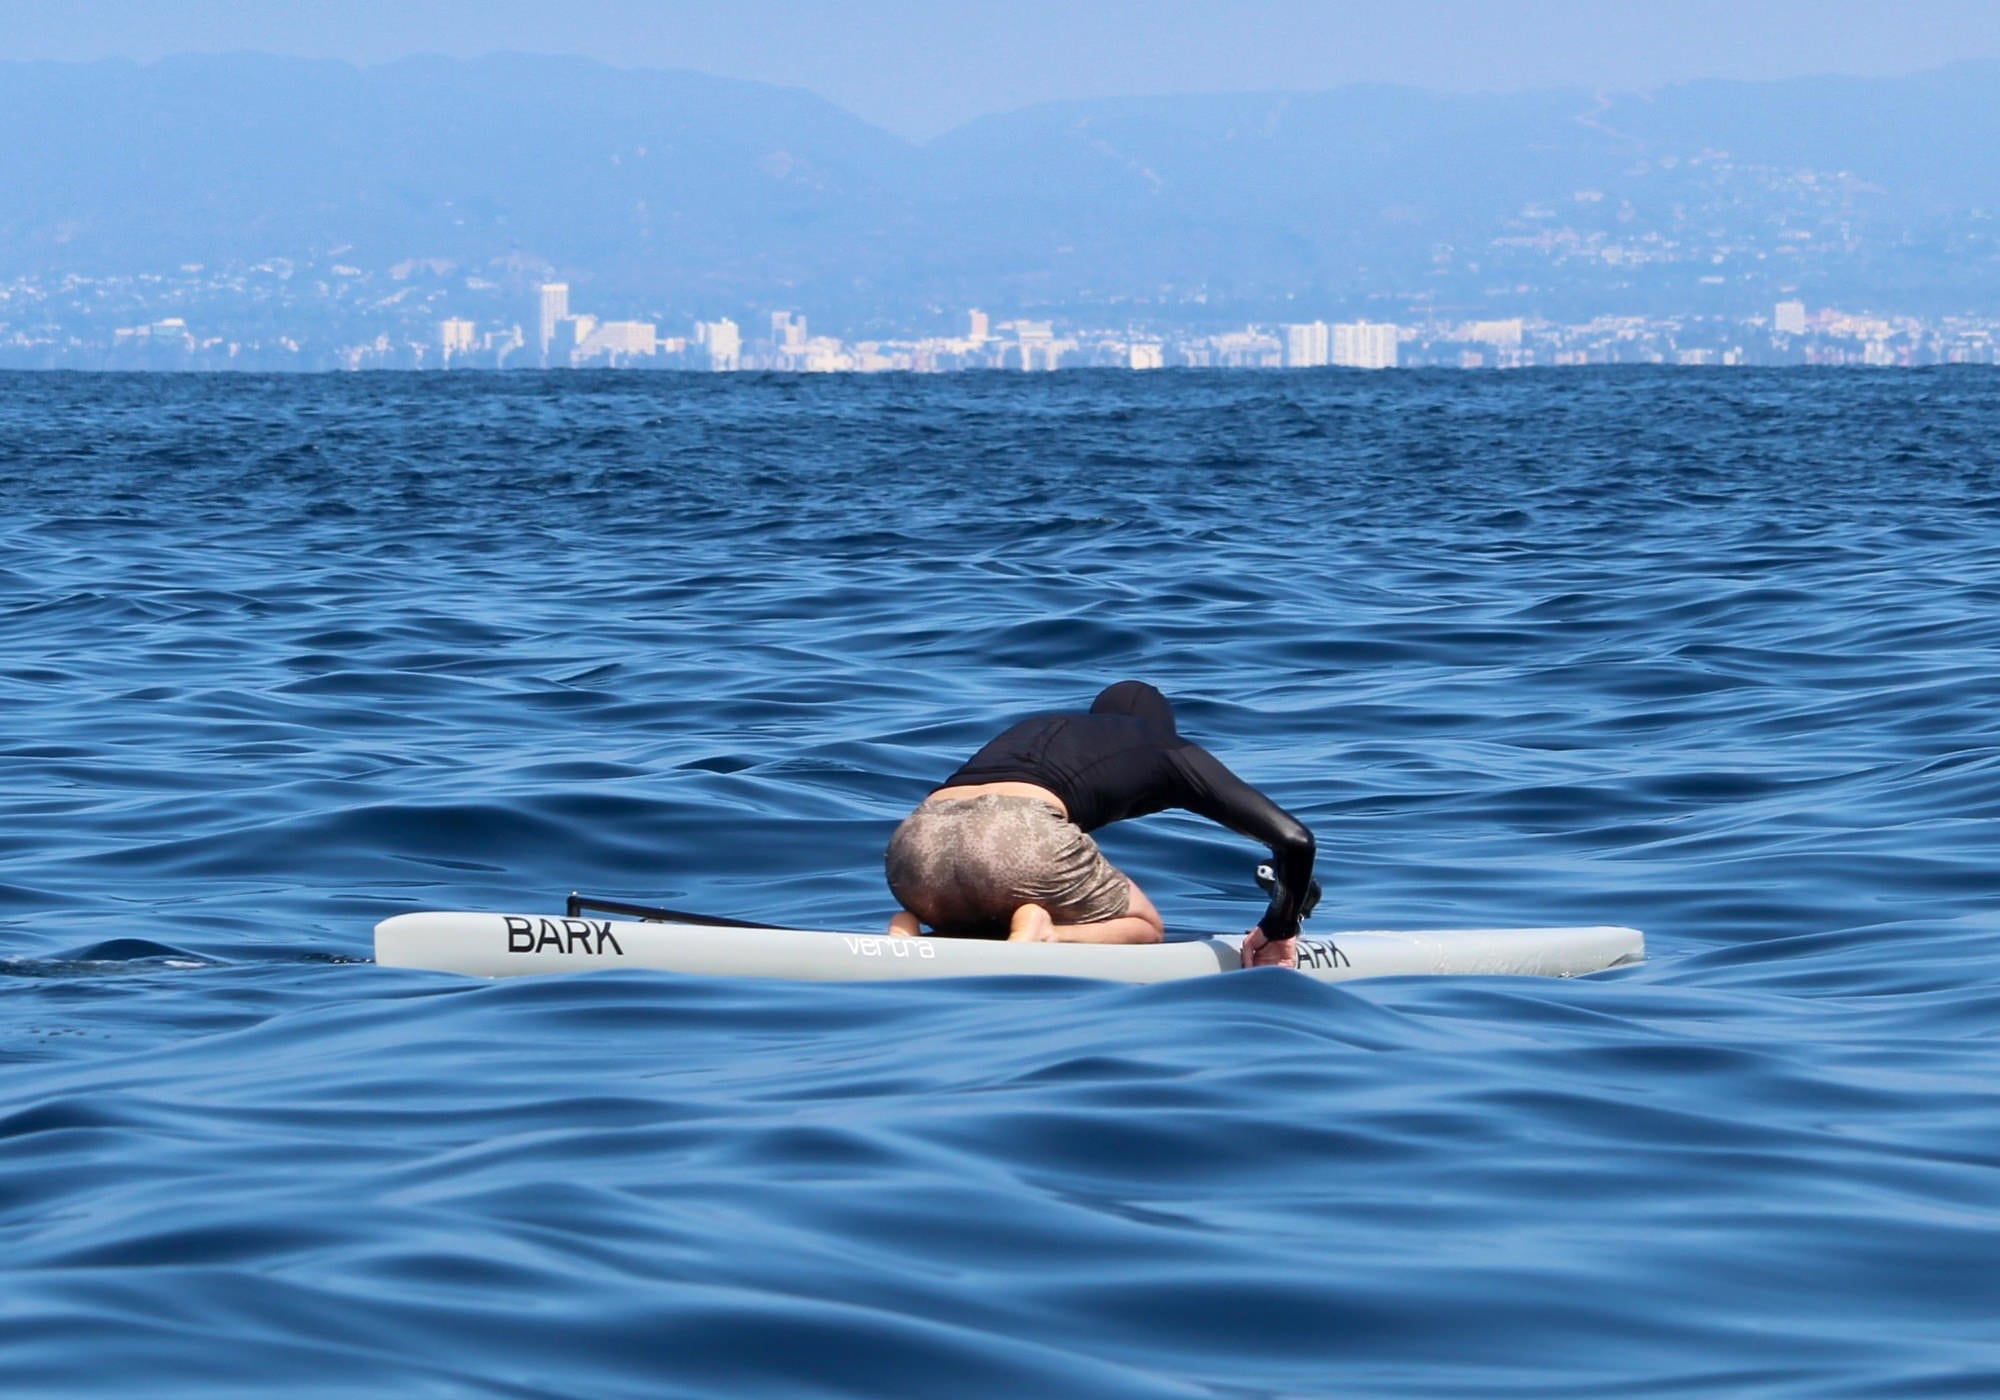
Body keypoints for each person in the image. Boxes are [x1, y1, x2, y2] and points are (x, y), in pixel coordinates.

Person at [884, 681, 1316, 969]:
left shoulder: (1038, 727)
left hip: (916, 840)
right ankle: (1046, 933)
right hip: (1017, 832)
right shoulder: (1164, 746)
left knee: (988, 898)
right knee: (1146, 925)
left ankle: (912, 926)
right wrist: (1280, 928)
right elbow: (1295, 841)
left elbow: (978, 814)